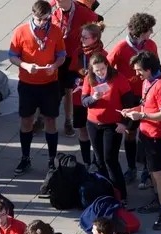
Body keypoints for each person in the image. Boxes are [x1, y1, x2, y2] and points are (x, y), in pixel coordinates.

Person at [8, 0, 66, 175]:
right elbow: (12, 56)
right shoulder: (21, 31)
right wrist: (25, 66)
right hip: (27, 84)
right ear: (32, 15)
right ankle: (25, 158)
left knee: (50, 120)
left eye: (46, 19)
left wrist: (54, 66)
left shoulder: (55, 30)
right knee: (27, 121)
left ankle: (52, 159)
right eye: (40, 19)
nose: (43, 23)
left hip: (49, 84)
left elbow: (61, 55)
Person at [121, 51, 161, 230]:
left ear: (149, 69)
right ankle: (157, 200)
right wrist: (131, 110)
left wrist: (141, 114)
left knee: (158, 174)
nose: (137, 74)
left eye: (139, 70)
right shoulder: (146, 82)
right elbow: (146, 105)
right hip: (145, 134)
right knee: (151, 172)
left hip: (157, 137)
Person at [107, 12, 158, 187]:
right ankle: (131, 168)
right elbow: (107, 68)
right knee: (130, 133)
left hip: (147, 95)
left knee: (146, 132)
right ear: (140, 32)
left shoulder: (150, 45)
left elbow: (156, 68)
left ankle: (146, 169)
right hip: (128, 97)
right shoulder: (121, 48)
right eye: (149, 30)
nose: (151, 32)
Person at [81, 52, 135, 204]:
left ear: (107, 66)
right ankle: (106, 191)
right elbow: (84, 101)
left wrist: (124, 123)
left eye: (102, 69)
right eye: (96, 70)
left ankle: (121, 195)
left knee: (110, 159)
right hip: (93, 123)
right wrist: (93, 98)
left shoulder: (118, 79)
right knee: (99, 160)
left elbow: (128, 102)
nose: (100, 73)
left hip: (112, 125)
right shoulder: (89, 79)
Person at [51, 0, 98, 137]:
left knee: (69, 90)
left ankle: (68, 121)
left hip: (73, 56)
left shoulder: (83, 12)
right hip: (55, 56)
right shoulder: (52, 9)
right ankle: (42, 119)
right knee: (51, 89)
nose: (57, 2)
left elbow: (96, 25)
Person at [68, 22, 106, 169]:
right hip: (79, 98)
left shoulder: (103, 55)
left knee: (97, 133)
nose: (82, 40)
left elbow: (108, 77)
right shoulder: (78, 52)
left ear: (95, 38)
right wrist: (76, 79)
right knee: (82, 130)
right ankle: (87, 162)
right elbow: (70, 72)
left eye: (85, 38)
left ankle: (99, 162)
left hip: (97, 99)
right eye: (81, 37)